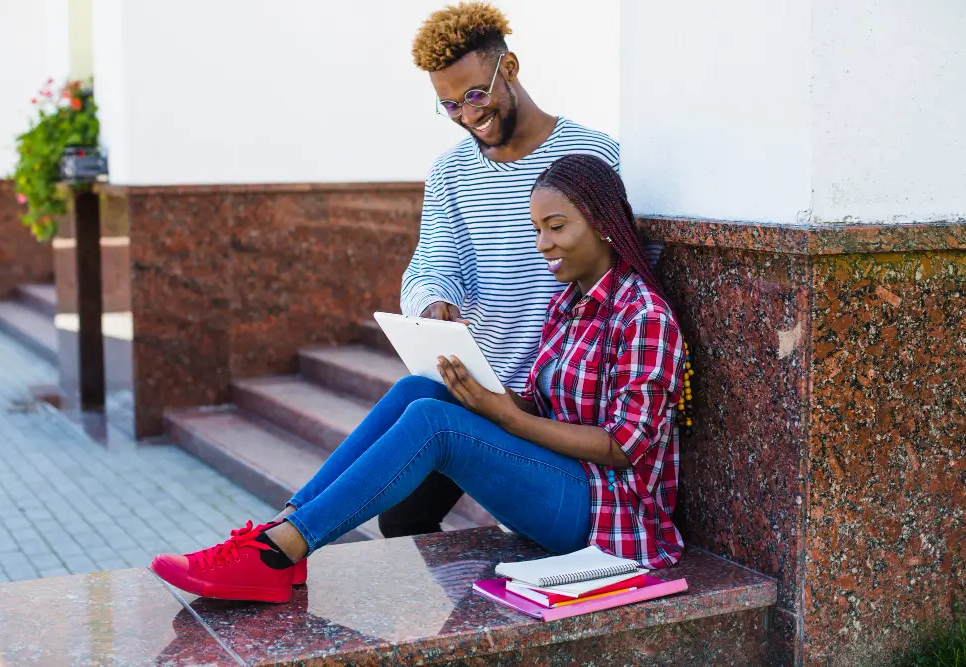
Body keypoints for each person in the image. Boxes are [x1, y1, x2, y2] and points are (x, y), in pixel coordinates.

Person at [150, 154, 687, 603]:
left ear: (602, 223)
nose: (543, 243)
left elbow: (623, 446)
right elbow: (549, 408)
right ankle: (279, 530)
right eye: (537, 229)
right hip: (563, 479)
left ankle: (277, 553)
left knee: (436, 423)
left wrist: (499, 414)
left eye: (556, 227)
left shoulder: (643, 315)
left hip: (610, 514)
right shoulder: (567, 304)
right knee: (421, 390)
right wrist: (484, 394)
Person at [382, 1, 622, 538]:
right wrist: (432, 305)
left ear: (508, 69)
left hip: (553, 405)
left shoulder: (594, 154)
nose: (468, 115)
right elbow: (429, 266)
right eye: (449, 105)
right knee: (402, 516)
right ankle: (284, 533)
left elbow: (628, 269)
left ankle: (282, 539)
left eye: (474, 94)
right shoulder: (450, 173)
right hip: (480, 387)